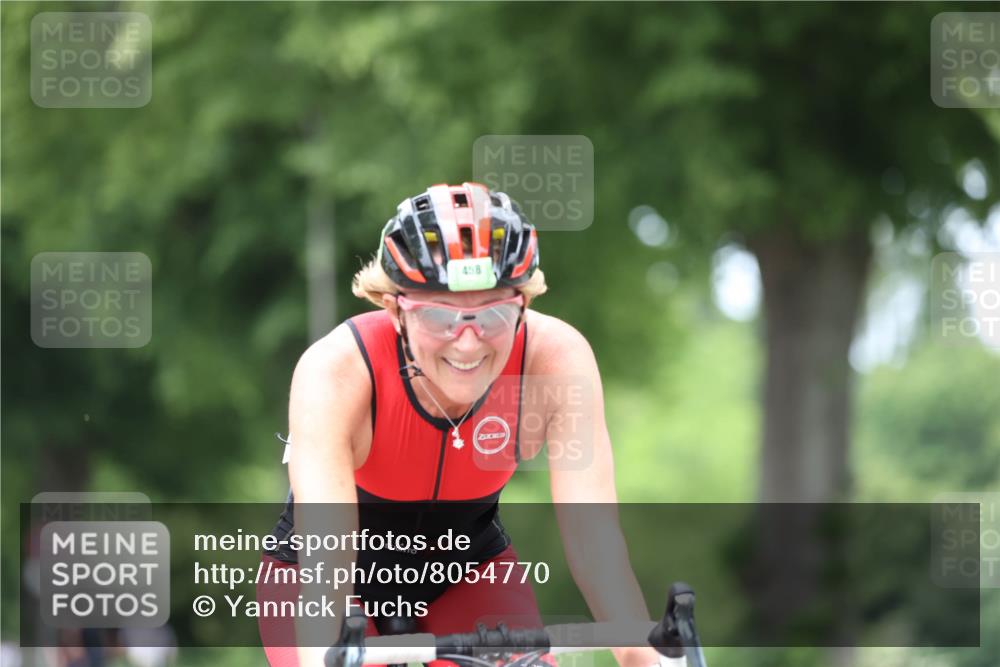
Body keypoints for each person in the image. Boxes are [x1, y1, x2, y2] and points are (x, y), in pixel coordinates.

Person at [258, 183, 660, 667]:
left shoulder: (555, 361)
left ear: (524, 304)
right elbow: (327, 564)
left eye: (492, 315)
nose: (467, 343)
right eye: (437, 316)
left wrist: (644, 657)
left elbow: (595, 540)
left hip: (467, 570)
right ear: (395, 308)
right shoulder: (336, 371)